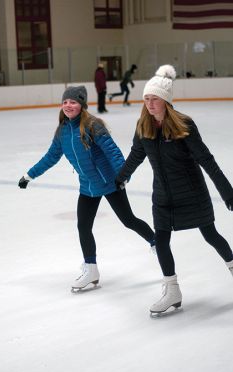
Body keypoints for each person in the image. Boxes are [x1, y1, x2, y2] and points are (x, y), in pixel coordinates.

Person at [115, 65, 233, 315]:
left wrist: (227, 192)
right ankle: (172, 290)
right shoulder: (143, 126)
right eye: (146, 98)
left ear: (165, 101)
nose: (149, 103)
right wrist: (121, 178)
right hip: (163, 197)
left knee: (210, 235)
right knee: (162, 240)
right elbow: (137, 155)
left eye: (154, 98)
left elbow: (206, 160)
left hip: (192, 194)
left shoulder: (183, 124)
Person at [18, 85, 155, 292]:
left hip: (111, 183)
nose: (68, 105)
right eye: (65, 102)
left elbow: (113, 152)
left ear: (81, 105)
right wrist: (29, 175)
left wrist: (123, 176)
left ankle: (156, 242)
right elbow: (51, 157)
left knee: (128, 220)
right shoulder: (63, 131)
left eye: (72, 102)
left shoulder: (93, 125)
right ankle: (91, 269)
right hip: (88, 187)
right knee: (83, 227)